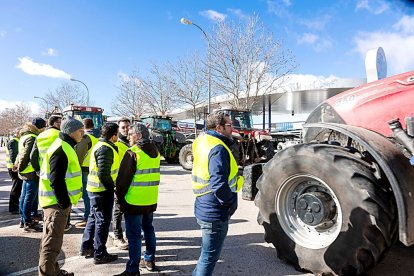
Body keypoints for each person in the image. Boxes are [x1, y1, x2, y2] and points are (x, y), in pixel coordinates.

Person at [191, 111, 244, 276]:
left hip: (203, 205)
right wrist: (231, 203)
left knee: (205, 256)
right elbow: (218, 184)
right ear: (219, 127)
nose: (232, 128)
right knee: (208, 258)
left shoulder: (202, 140)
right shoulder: (219, 148)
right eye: (229, 125)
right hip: (215, 210)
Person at [38, 116, 84, 276]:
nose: (83, 134)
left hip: (55, 203)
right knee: (51, 245)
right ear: (71, 132)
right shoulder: (61, 148)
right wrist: (64, 202)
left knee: (52, 242)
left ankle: (54, 271)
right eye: (80, 131)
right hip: (55, 205)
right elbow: (55, 179)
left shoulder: (65, 145)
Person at [114, 123, 160, 276]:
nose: (128, 136)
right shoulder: (156, 151)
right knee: (149, 230)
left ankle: (133, 269)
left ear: (139, 136)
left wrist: (119, 199)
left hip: (134, 201)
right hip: (150, 200)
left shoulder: (133, 152)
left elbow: (122, 181)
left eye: (131, 133)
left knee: (133, 236)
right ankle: (150, 259)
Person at [80, 122, 120, 264]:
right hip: (101, 191)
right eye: (117, 133)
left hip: (95, 189)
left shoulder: (100, 145)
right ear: (114, 135)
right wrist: (112, 189)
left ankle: (86, 247)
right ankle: (100, 253)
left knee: (93, 218)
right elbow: (104, 174)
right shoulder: (105, 148)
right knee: (102, 221)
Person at [16, 117, 46, 231]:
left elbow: (21, 154)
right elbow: (28, 155)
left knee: (24, 197)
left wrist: (19, 167)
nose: (44, 130)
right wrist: (23, 167)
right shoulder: (33, 137)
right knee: (29, 198)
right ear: (39, 128)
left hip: (26, 171)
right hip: (31, 171)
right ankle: (28, 222)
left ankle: (23, 219)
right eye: (43, 127)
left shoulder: (24, 136)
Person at [74, 118, 99, 228]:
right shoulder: (99, 137)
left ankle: (88, 217)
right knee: (93, 195)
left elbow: (79, 155)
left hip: (85, 170)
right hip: (95, 169)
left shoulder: (85, 138)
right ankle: (93, 216)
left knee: (87, 195)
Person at [112, 117, 131, 250]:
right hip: (119, 183)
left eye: (128, 127)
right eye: (123, 127)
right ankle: (118, 236)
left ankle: (130, 234)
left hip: (131, 183)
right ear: (118, 129)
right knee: (118, 211)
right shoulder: (118, 145)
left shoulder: (131, 143)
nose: (126, 129)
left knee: (130, 209)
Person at [6, 128, 22, 214]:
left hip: (13, 168)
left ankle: (15, 205)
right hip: (13, 168)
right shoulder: (14, 141)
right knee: (16, 187)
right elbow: (13, 156)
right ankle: (13, 207)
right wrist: (16, 166)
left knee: (17, 187)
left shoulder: (16, 141)